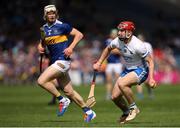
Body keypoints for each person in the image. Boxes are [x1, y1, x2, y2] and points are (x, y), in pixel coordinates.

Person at [37, 5, 96, 122]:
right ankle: (89, 112)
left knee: (41, 81)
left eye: (53, 12)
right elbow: (42, 42)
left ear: (56, 14)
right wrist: (40, 46)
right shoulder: (43, 29)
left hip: (62, 61)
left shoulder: (62, 26)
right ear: (45, 15)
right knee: (69, 92)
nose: (52, 15)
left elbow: (79, 35)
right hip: (55, 62)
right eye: (49, 13)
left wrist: (71, 47)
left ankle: (62, 100)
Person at [93, 21, 157, 124]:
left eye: (122, 31)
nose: (119, 33)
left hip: (141, 70)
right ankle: (126, 112)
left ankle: (134, 108)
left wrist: (152, 78)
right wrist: (99, 63)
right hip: (128, 70)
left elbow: (151, 61)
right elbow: (108, 49)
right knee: (114, 97)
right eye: (119, 30)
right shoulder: (117, 41)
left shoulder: (138, 45)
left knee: (122, 83)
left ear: (129, 32)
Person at [104, 29, 123, 100]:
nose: (113, 35)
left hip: (117, 63)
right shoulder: (108, 41)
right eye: (112, 33)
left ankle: (118, 93)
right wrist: (119, 50)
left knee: (118, 80)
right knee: (108, 80)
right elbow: (112, 51)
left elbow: (118, 51)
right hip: (110, 63)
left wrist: (117, 50)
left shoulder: (120, 41)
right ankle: (108, 94)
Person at [136, 34, 154, 100]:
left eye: (140, 38)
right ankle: (140, 95)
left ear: (143, 38)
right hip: (139, 65)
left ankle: (150, 92)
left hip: (147, 64)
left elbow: (151, 55)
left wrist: (151, 63)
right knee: (139, 80)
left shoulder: (148, 45)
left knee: (146, 82)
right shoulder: (135, 45)